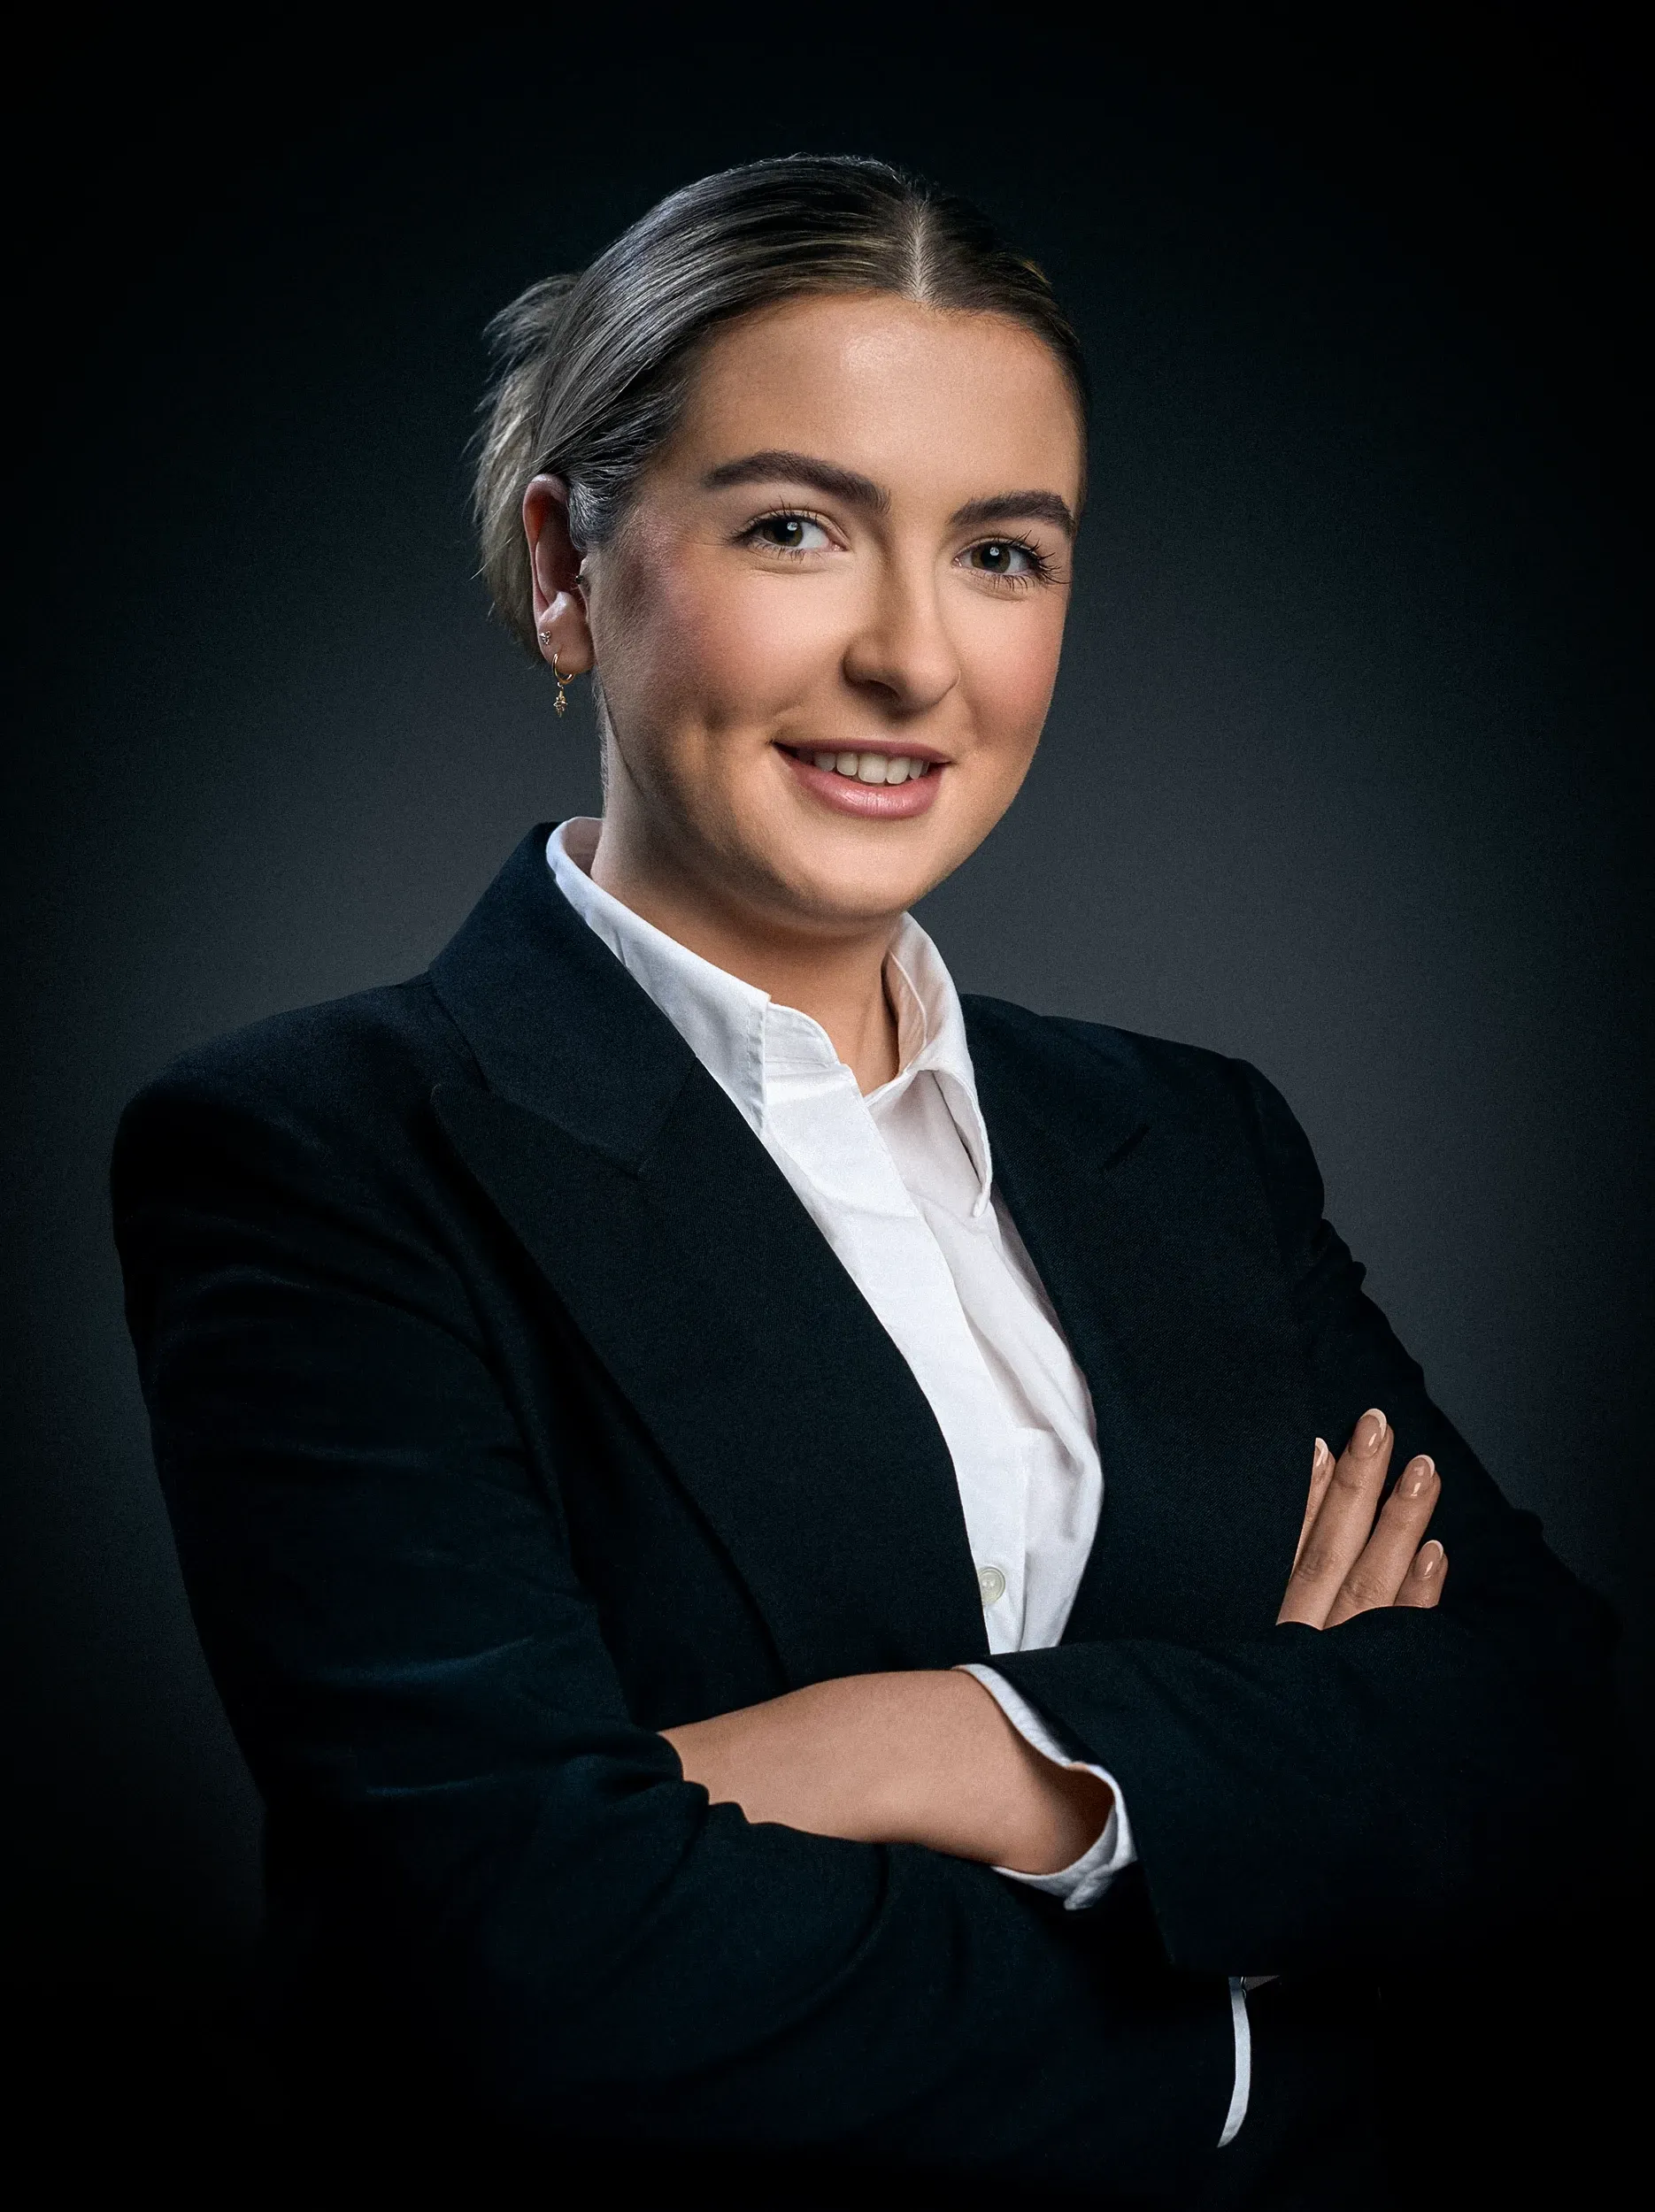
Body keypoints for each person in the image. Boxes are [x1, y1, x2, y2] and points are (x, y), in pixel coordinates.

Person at [112, 157, 1614, 2204]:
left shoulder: (1191, 1141)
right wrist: (1254, 1921)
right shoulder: (321, 1150)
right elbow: (522, 1954)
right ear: (564, 567)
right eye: (795, 527)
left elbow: (1544, 1747)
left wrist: (950, 1745)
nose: (913, 659)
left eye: (999, 552)